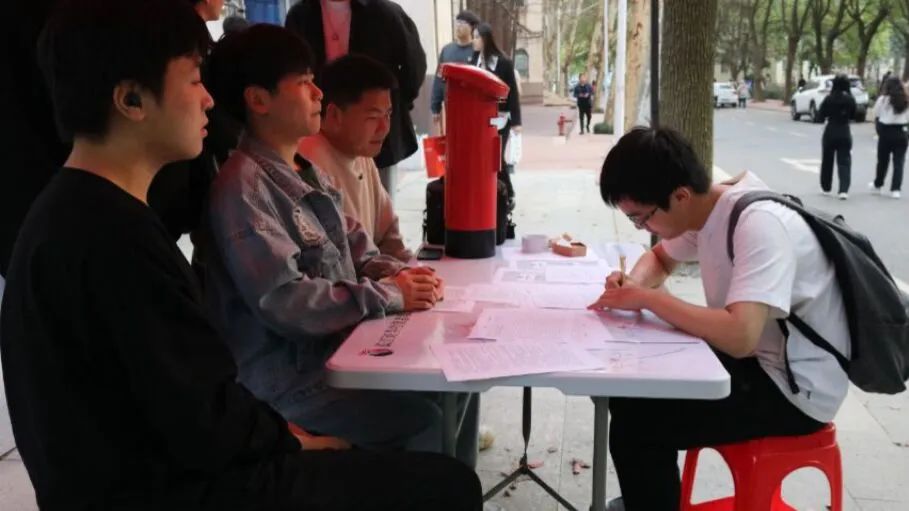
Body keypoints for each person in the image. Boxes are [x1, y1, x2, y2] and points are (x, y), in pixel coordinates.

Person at [0, 1, 482, 511]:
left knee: (439, 407)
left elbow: (187, 401)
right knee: (445, 484)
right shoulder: (113, 240)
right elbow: (202, 418)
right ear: (131, 99)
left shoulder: (76, 215)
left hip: (176, 466)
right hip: (181, 488)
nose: (209, 100)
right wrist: (297, 442)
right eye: (193, 81)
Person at [201, 25, 464, 457]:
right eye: (304, 83)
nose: (318, 93)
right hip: (290, 383)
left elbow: (360, 249)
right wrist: (390, 294)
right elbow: (286, 301)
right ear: (259, 100)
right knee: (425, 420)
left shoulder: (305, 172)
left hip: (338, 352)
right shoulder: (243, 190)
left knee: (451, 382)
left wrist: (408, 277)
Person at [589, 127, 848, 511]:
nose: (643, 229)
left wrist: (646, 298)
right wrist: (633, 283)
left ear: (680, 196)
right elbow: (659, 259)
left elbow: (740, 336)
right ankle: (651, 496)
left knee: (638, 425)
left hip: (795, 391)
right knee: (633, 387)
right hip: (761, 360)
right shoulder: (708, 209)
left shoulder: (757, 225)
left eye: (642, 219)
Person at [285, 0, 427, 203]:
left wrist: (389, 109)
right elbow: (292, 70)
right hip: (319, 130)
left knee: (377, 202)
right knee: (321, 203)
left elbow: (414, 67)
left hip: (374, 131)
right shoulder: (300, 15)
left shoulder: (385, 13)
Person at [298, 54, 412, 262]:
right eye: (373, 117)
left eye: (387, 115)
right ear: (334, 115)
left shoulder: (360, 153)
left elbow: (388, 234)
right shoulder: (309, 163)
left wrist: (409, 268)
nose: (384, 128)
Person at [472, 21, 521, 235]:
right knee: (486, 156)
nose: (473, 41)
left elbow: (513, 93)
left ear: (485, 39)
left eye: (476, 37)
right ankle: (496, 191)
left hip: (501, 117)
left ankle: (507, 191)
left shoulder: (503, 63)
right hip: (480, 118)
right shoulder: (473, 61)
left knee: (496, 155)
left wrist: (517, 121)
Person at [431, 10, 480, 134]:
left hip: (473, 106)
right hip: (451, 106)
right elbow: (439, 79)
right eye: (457, 23)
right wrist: (435, 107)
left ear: (472, 27)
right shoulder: (447, 51)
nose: (458, 26)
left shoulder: (477, 50)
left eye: (462, 23)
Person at [818, 74, 856, 199]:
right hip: (844, 131)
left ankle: (826, 187)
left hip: (830, 131)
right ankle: (843, 190)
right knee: (844, 161)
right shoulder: (850, 99)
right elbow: (854, 115)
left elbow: (820, 115)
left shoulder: (829, 98)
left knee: (827, 161)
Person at [870, 76, 908, 199]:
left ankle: (878, 184)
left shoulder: (883, 100)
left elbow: (876, 114)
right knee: (899, 162)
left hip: (886, 132)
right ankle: (896, 189)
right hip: (901, 131)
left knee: (882, 161)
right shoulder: (906, 100)